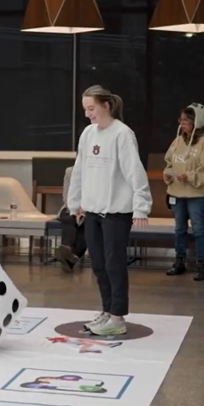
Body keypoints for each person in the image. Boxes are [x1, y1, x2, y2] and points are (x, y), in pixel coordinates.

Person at [66, 85, 152, 336]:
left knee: (114, 264)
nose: (88, 114)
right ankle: (106, 310)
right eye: (85, 109)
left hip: (116, 213)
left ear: (106, 106)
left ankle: (117, 317)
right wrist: (75, 202)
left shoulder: (122, 134)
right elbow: (79, 169)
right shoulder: (88, 134)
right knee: (99, 265)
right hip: (92, 212)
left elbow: (135, 172)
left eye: (91, 108)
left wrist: (141, 207)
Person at [163, 103, 204, 281]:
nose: (182, 123)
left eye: (186, 121)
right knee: (179, 229)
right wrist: (168, 174)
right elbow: (169, 162)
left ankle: (201, 264)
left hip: (197, 195)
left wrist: (190, 176)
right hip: (177, 193)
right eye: (181, 120)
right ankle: (179, 262)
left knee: (198, 229)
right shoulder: (178, 141)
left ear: (196, 122)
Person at [54, 167, 88, 272]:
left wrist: (83, 210)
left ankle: (69, 253)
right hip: (70, 208)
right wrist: (75, 209)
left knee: (87, 223)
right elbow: (66, 195)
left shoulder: (96, 171)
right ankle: (69, 250)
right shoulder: (70, 171)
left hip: (89, 209)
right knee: (69, 218)